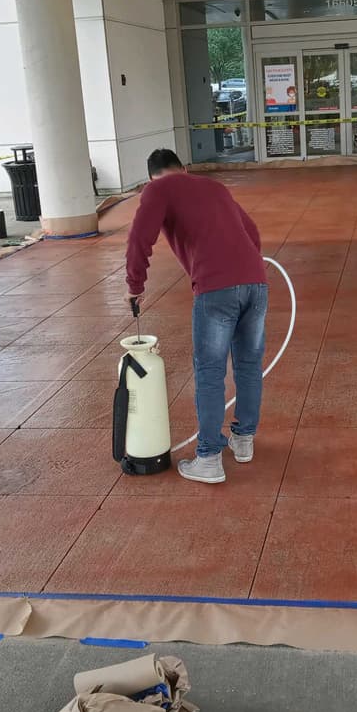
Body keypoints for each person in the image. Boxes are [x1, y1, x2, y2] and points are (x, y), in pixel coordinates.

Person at [125, 149, 269, 484]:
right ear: (184, 169)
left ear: (151, 177)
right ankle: (244, 440)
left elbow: (139, 238)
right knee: (248, 365)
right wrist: (244, 267)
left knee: (210, 371)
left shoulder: (157, 190)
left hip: (215, 288)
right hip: (256, 282)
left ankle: (208, 458)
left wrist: (135, 284)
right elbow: (253, 233)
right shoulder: (214, 187)